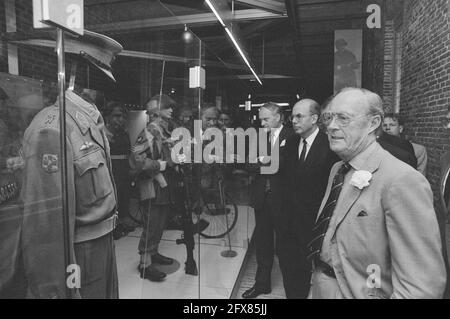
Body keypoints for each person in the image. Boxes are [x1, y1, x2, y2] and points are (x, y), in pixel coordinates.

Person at [307, 87, 446, 299]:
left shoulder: (401, 180)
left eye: (343, 118)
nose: (331, 126)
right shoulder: (338, 169)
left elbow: (421, 286)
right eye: (329, 117)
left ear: (373, 123)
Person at [20, 30, 123, 299]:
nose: (100, 84)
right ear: (77, 71)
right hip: (79, 255)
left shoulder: (87, 121)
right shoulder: (52, 129)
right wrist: (57, 290)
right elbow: (45, 227)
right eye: (96, 74)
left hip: (101, 245)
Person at [280, 99, 339, 298]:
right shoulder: (290, 142)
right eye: (292, 116)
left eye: (299, 116)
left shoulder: (330, 145)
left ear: (314, 119)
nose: (294, 121)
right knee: (290, 272)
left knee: (318, 278)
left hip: (315, 225)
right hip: (288, 224)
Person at [242, 102, 294, 299]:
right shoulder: (258, 137)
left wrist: (263, 160)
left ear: (279, 117)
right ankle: (262, 284)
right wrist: (268, 161)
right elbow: (248, 164)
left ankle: (293, 288)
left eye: (266, 119)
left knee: (285, 245)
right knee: (263, 245)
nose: (262, 123)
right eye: (260, 119)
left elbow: (283, 165)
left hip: (283, 200)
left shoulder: (291, 136)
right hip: (261, 198)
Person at [129, 94, 178, 282]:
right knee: (152, 224)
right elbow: (137, 159)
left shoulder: (162, 130)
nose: (171, 110)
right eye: (167, 107)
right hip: (152, 185)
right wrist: (161, 165)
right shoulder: (150, 131)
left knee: (160, 222)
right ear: (157, 111)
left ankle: (153, 253)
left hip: (163, 185)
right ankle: (145, 264)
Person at [104, 102, 135, 239]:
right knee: (112, 200)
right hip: (110, 169)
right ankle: (112, 227)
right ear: (108, 117)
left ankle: (121, 222)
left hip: (124, 169)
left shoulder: (124, 133)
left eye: (123, 116)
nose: (120, 119)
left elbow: (129, 152)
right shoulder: (102, 133)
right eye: (116, 116)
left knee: (123, 197)